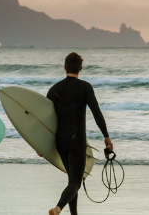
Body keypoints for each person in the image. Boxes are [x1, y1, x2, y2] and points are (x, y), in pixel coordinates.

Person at [46, 52, 114, 215]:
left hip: (60, 142)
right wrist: (106, 136)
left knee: (72, 181)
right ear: (81, 68)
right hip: (77, 142)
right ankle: (58, 208)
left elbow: (45, 120)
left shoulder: (54, 89)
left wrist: (40, 144)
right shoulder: (85, 87)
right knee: (76, 182)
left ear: (65, 67)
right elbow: (97, 113)